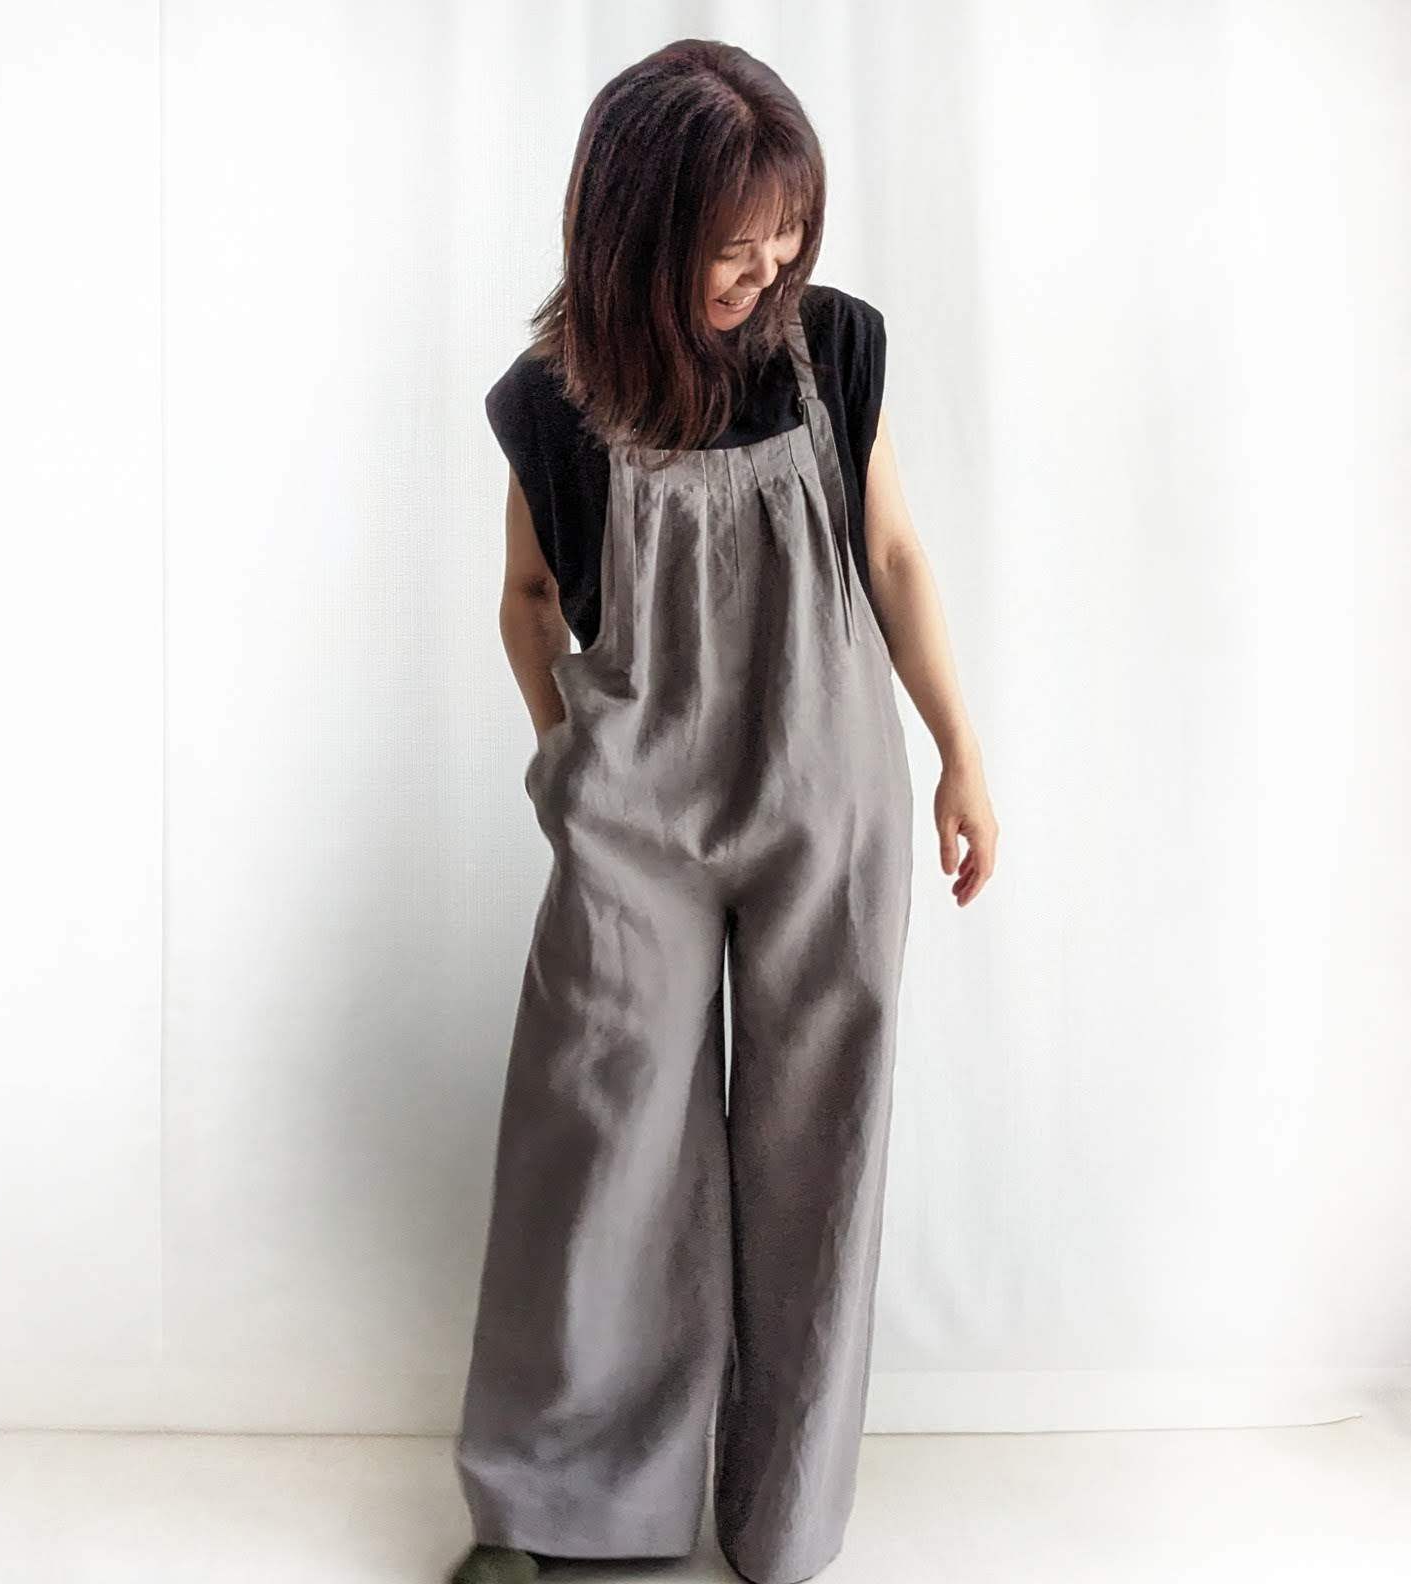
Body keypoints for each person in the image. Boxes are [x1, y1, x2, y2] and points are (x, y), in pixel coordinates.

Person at [449, 38, 997, 1584]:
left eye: (787, 236)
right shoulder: (548, 403)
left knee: (818, 1141)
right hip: (636, 820)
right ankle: (558, 1511)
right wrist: (576, 767)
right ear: (634, 231)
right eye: (730, 247)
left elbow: (893, 558)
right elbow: (526, 600)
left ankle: (778, 1522)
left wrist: (958, 753)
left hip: (826, 794)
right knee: (596, 1142)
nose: (765, 273)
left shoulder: (833, 350)